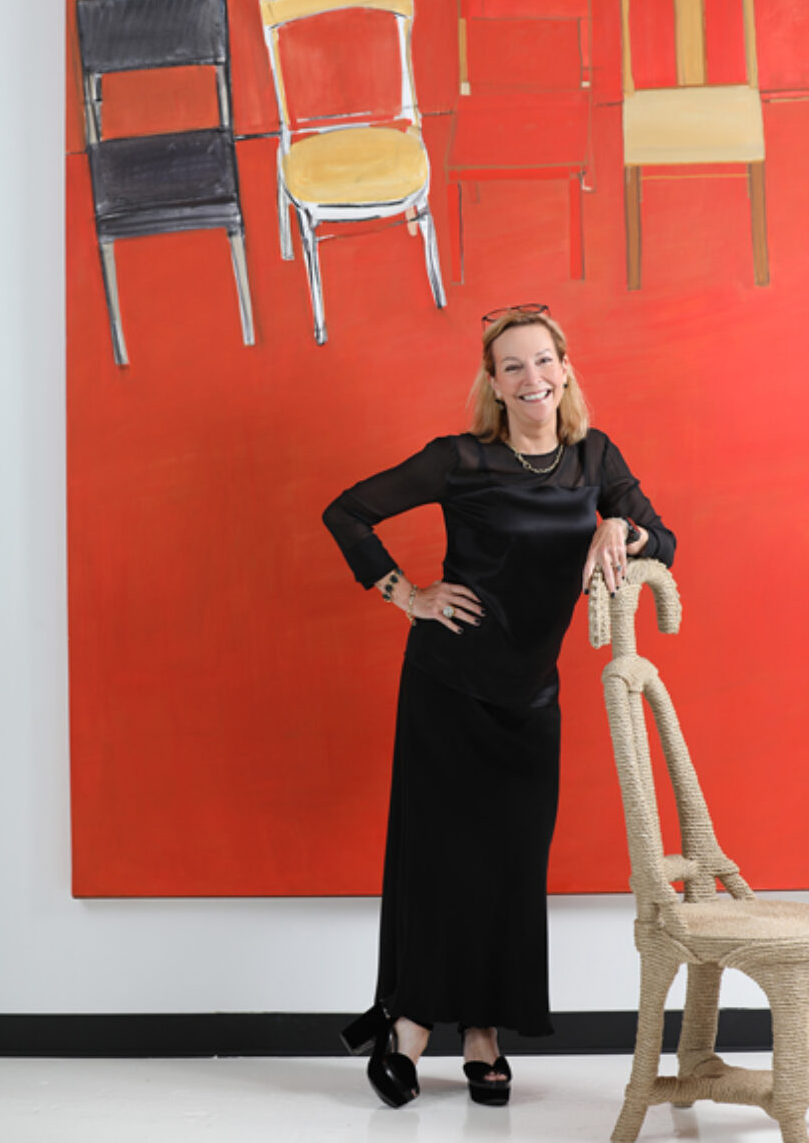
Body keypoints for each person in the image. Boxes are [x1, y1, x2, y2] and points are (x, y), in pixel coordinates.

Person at [322, 305, 675, 1109]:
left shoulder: (597, 460)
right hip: (447, 687)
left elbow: (665, 538)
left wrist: (619, 528)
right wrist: (404, 593)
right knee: (439, 863)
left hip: (530, 697)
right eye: (512, 366)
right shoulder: (462, 460)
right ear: (492, 382)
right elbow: (348, 511)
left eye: (543, 361)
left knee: (510, 869)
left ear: (565, 368)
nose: (531, 378)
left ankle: (482, 1031)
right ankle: (410, 1026)